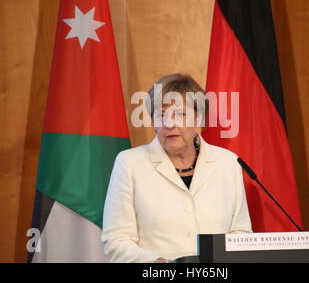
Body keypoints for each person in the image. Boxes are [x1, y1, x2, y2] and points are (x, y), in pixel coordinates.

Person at [101, 73, 252, 262]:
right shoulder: (130, 164)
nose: (170, 124)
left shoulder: (228, 163)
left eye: (180, 114)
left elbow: (240, 234)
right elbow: (116, 241)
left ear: (198, 119)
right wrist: (160, 264)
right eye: (161, 115)